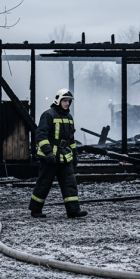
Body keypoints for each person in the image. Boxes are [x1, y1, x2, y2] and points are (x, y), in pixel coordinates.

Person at [28, 89, 87, 219]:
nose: (67, 104)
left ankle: (73, 210)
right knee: (44, 183)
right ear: (58, 100)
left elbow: (70, 139)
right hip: (50, 158)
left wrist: (74, 154)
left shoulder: (69, 117)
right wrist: (48, 153)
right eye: (65, 101)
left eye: (69, 101)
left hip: (65, 157)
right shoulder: (48, 115)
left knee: (70, 183)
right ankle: (35, 210)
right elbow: (41, 135)